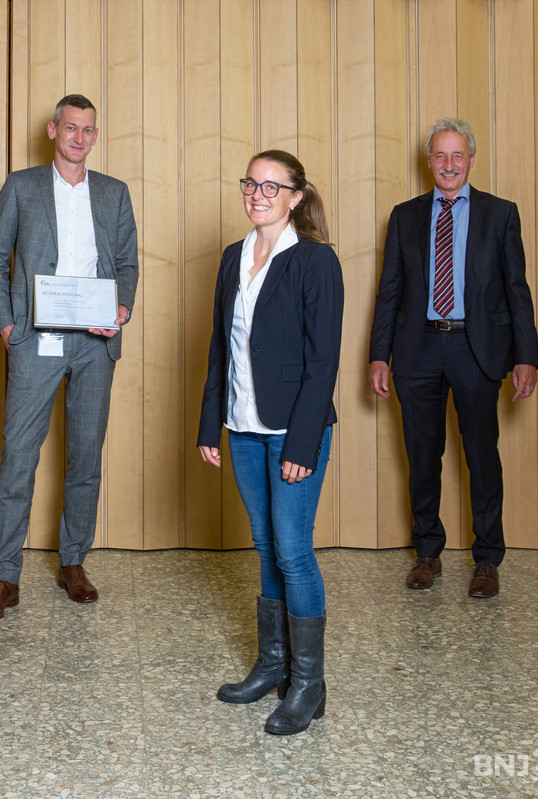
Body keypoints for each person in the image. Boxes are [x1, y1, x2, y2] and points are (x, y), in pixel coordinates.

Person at [0, 94, 138, 623]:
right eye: (71, 128)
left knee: (85, 456)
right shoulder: (21, 186)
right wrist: (8, 325)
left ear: (95, 135)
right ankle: (5, 575)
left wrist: (122, 307)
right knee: (19, 454)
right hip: (36, 339)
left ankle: (73, 563)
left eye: (88, 130)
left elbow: (128, 262)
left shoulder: (114, 192)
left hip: (95, 341)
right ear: (53, 130)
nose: (79, 138)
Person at [197, 150, 343, 736]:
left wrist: (303, 446)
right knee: (264, 547)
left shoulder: (315, 260)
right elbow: (220, 347)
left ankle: (309, 684)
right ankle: (274, 664)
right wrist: (211, 423)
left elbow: (324, 361)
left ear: (295, 196)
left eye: (271, 186)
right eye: (251, 184)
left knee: (293, 551)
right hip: (242, 427)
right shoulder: (233, 256)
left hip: (292, 431)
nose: (258, 194)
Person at [368, 118, 538, 599]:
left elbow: (517, 289)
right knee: (422, 457)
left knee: (482, 457)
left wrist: (526, 356)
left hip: (476, 348)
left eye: (457, 155)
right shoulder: (404, 216)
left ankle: (487, 560)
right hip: (417, 348)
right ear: (429, 162)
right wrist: (378, 355)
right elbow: (389, 291)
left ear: (471, 160)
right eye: (440, 155)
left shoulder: (500, 214)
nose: (448, 164)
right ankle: (428, 553)